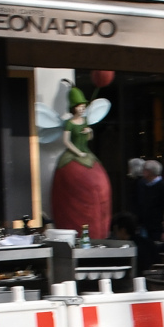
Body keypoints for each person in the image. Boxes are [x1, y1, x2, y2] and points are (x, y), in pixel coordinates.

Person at [51, 86, 112, 239]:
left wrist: (89, 132)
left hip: (88, 156)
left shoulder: (85, 121)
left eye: (84, 106)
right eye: (80, 106)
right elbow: (66, 141)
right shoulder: (70, 124)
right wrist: (77, 152)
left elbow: (89, 138)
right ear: (74, 107)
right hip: (74, 156)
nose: (82, 109)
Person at [137, 160, 164, 240]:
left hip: (158, 227)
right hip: (144, 225)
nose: (142, 171)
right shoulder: (141, 184)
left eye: (144, 169)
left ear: (149, 171)